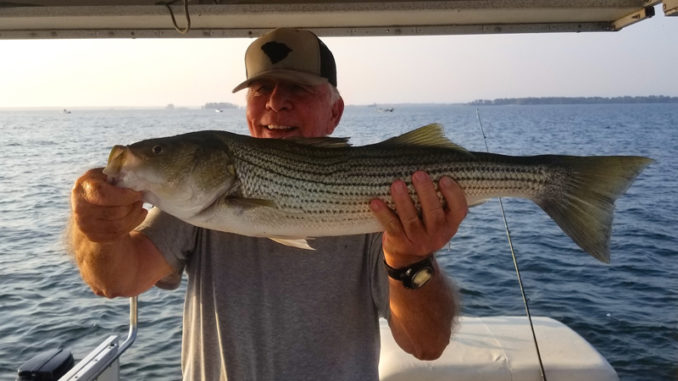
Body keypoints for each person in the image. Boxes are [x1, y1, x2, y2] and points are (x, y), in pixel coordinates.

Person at [68, 28, 468, 381]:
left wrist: (410, 259)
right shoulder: (189, 201)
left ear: (335, 112)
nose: (276, 103)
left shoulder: (381, 202)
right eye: (261, 90)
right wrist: (97, 229)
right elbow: (115, 281)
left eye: (299, 89)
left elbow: (426, 345)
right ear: (247, 109)